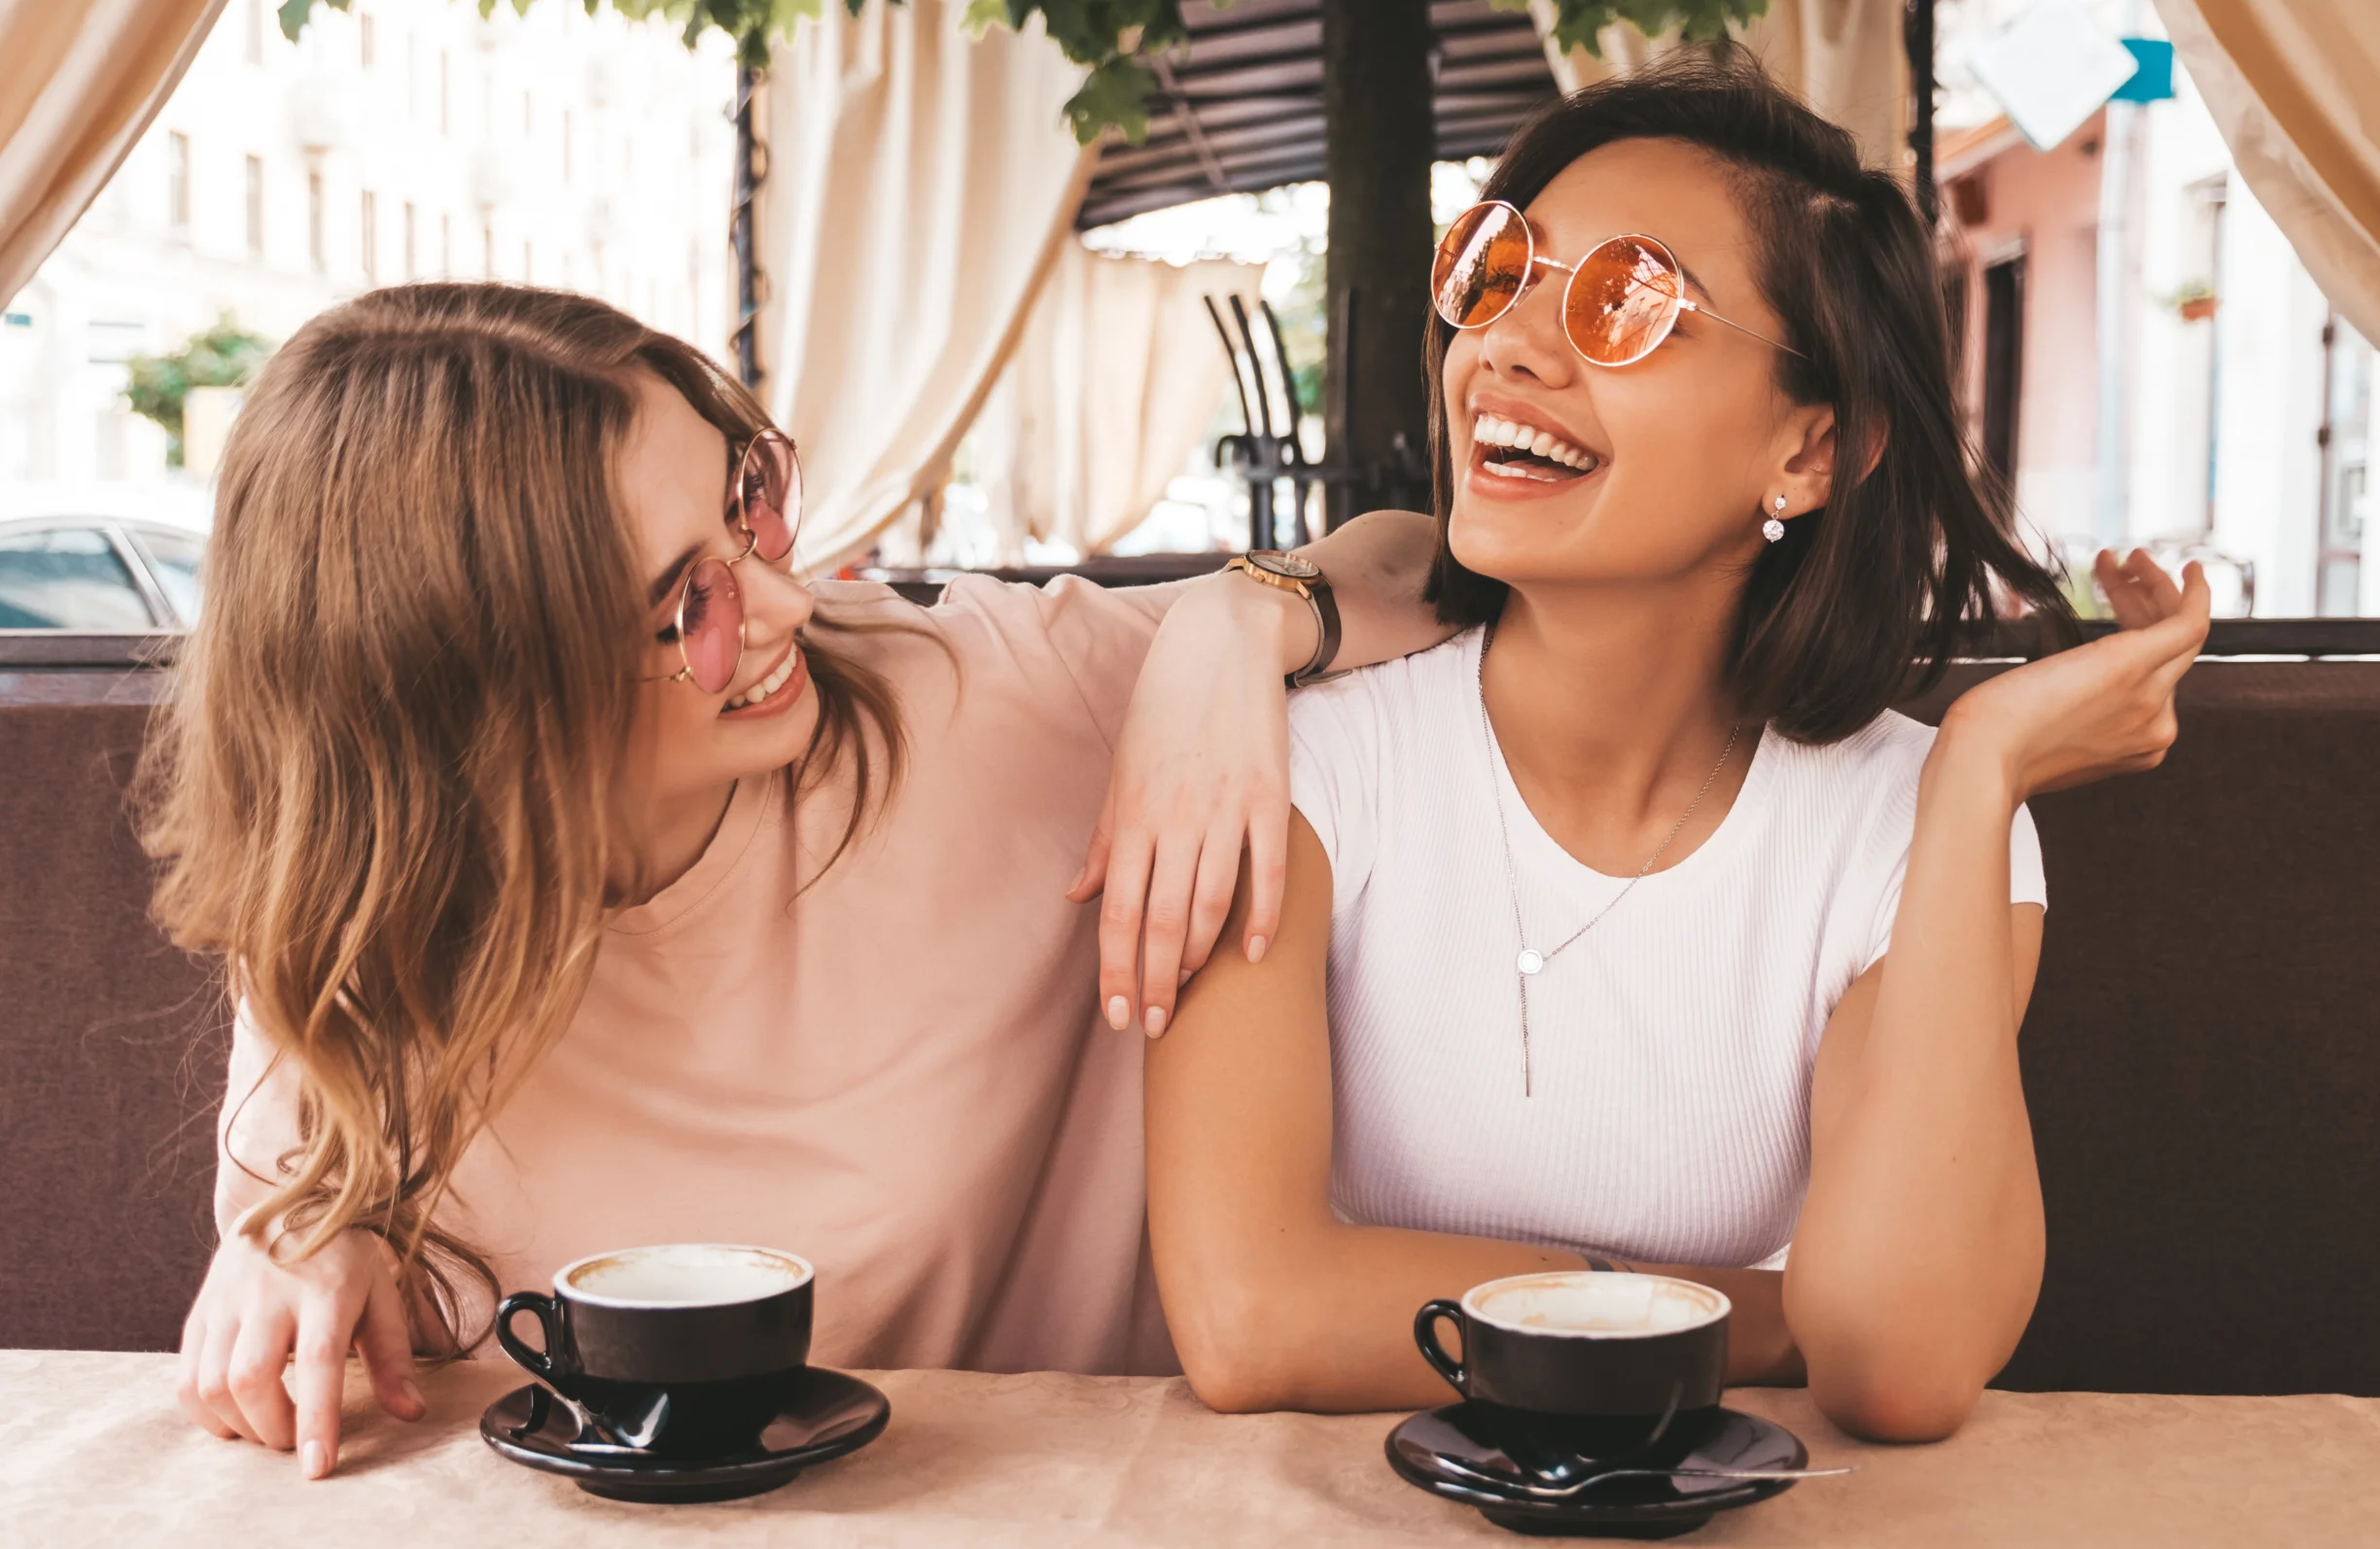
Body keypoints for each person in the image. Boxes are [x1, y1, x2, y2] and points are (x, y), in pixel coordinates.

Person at [155, 282, 1450, 1478]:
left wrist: (1240, 618)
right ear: (478, 703)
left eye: (747, 502)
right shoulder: (351, 925)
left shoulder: (978, 700)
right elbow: (302, 1234)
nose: (780, 599)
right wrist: (299, 1247)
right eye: (686, 606)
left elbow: (1432, 566)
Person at [1143, 51, 2212, 1443]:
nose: (1510, 346)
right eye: (1500, 268)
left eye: (1628, 304)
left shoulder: (1912, 823)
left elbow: (1895, 1361)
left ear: (1815, 451)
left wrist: (1977, 773)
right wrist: (1758, 1315)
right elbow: (1250, 1313)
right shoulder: (1295, 766)